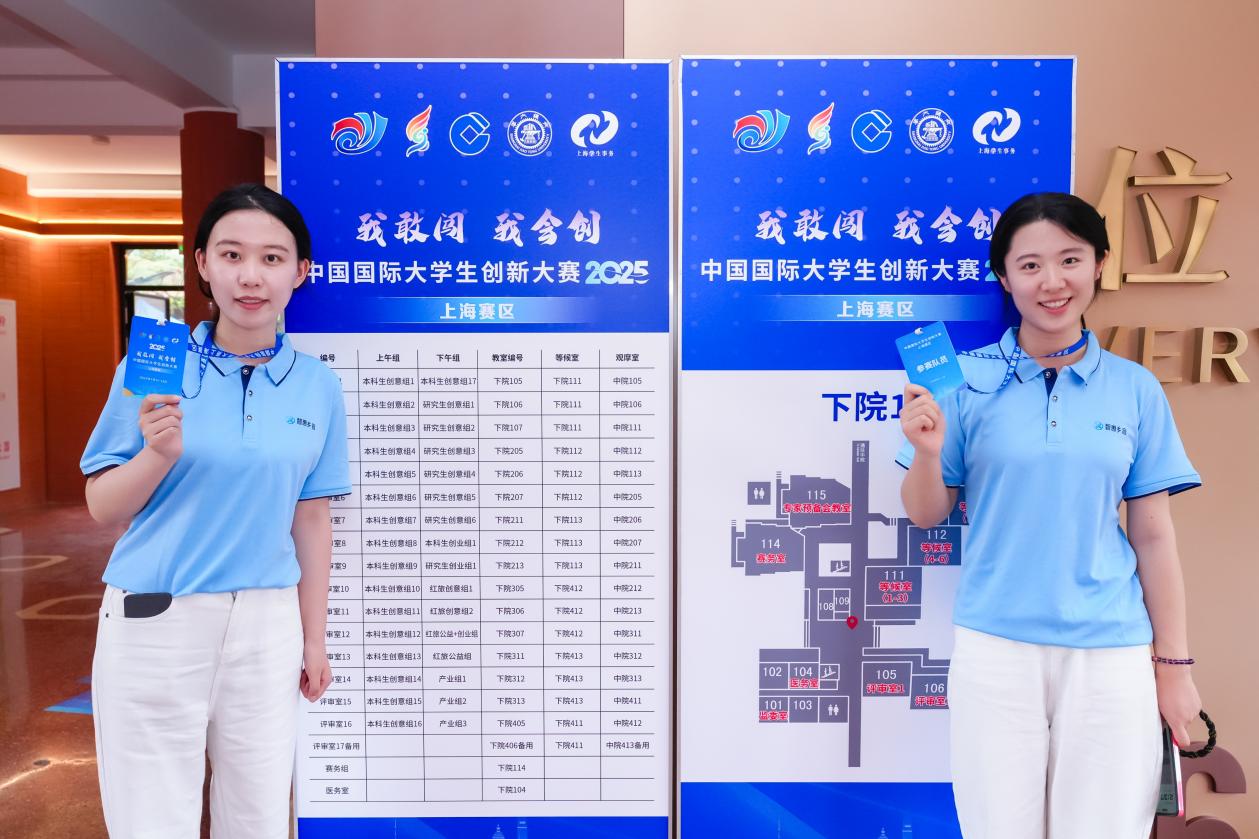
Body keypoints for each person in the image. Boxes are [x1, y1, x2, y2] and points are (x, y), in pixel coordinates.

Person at [897, 192, 1202, 838]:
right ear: (1004, 278)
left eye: (1070, 259)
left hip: (1111, 650)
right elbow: (926, 515)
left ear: (1099, 265)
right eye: (1030, 265)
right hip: (995, 646)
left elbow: (1153, 536)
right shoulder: (960, 381)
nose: (1052, 281)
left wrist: (1173, 668)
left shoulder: (1135, 388)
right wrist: (926, 453)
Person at [81, 183, 350, 838]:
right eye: (231, 254)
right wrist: (156, 454)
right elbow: (101, 505)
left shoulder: (317, 384)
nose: (250, 276)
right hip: (156, 615)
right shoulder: (155, 365)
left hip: (268, 622)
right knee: (151, 816)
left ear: (300, 272)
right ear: (202, 263)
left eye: (271, 258)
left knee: (258, 814)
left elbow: (312, 517)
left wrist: (313, 639)